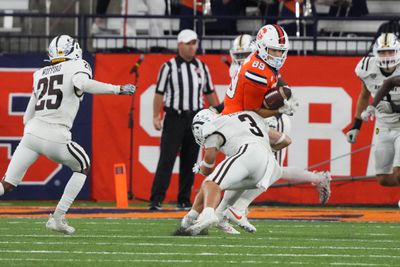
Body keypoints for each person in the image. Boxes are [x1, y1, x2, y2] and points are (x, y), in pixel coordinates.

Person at [0, 35, 135, 235]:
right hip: (55, 134)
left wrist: (33, 133)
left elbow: (28, 115)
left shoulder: (40, 73)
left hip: (31, 134)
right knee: (83, 166)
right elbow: (84, 84)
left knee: (7, 183)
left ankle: (57, 218)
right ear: (73, 49)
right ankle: (57, 217)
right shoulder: (77, 65)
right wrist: (117, 89)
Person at [215, 32, 331, 234]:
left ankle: (226, 211)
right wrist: (280, 105)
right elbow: (252, 107)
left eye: (280, 50)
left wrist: (284, 95)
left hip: (254, 120)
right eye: (238, 54)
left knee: (268, 168)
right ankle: (230, 210)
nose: (242, 57)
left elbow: (276, 85)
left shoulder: (260, 63)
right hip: (253, 120)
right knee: (266, 168)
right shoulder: (254, 67)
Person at [177, 108, 282, 235]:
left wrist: (201, 167)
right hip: (271, 167)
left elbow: (208, 166)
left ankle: (209, 214)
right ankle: (192, 217)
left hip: (250, 152)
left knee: (211, 183)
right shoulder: (240, 117)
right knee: (212, 184)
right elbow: (285, 140)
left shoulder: (214, 126)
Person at [149, 29, 219, 211]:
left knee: (190, 160)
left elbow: (209, 93)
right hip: (174, 117)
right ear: (179, 45)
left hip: (195, 119)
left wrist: (220, 114)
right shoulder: (169, 67)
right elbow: (159, 94)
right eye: (188, 43)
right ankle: (156, 199)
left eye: (194, 43)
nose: (192, 47)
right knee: (167, 158)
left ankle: (184, 199)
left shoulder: (202, 67)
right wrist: (157, 115)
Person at [347, 33, 400, 190]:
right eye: (383, 52)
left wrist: (394, 107)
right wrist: (356, 126)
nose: (387, 56)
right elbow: (364, 96)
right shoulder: (366, 67)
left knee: (399, 173)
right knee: (383, 179)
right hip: (383, 125)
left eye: (390, 51)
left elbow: (390, 84)